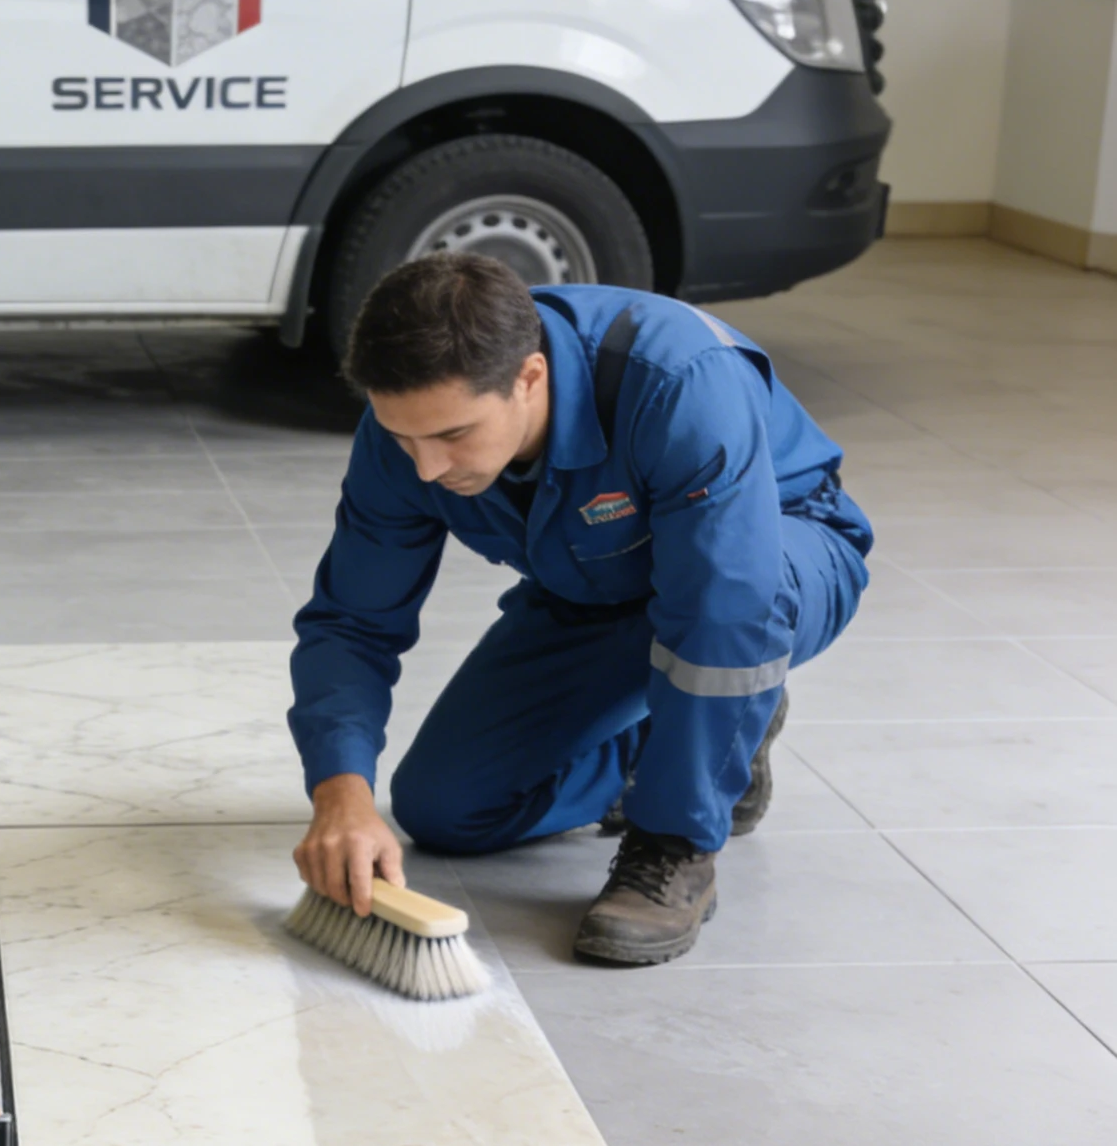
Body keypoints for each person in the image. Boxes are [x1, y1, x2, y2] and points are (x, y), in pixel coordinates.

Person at [288, 253, 873, 965]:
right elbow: (352, 620)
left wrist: (673, 827)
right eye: (404, 437)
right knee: (444, 807)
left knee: (726, 602)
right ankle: (711, 745)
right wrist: (340, 791)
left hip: (781, 554)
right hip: (600, 585)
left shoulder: (680, 382)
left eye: (453, 436)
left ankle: (677, 842)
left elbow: (727, 597)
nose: (426, 468)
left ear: (529, 378)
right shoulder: (408, 434)